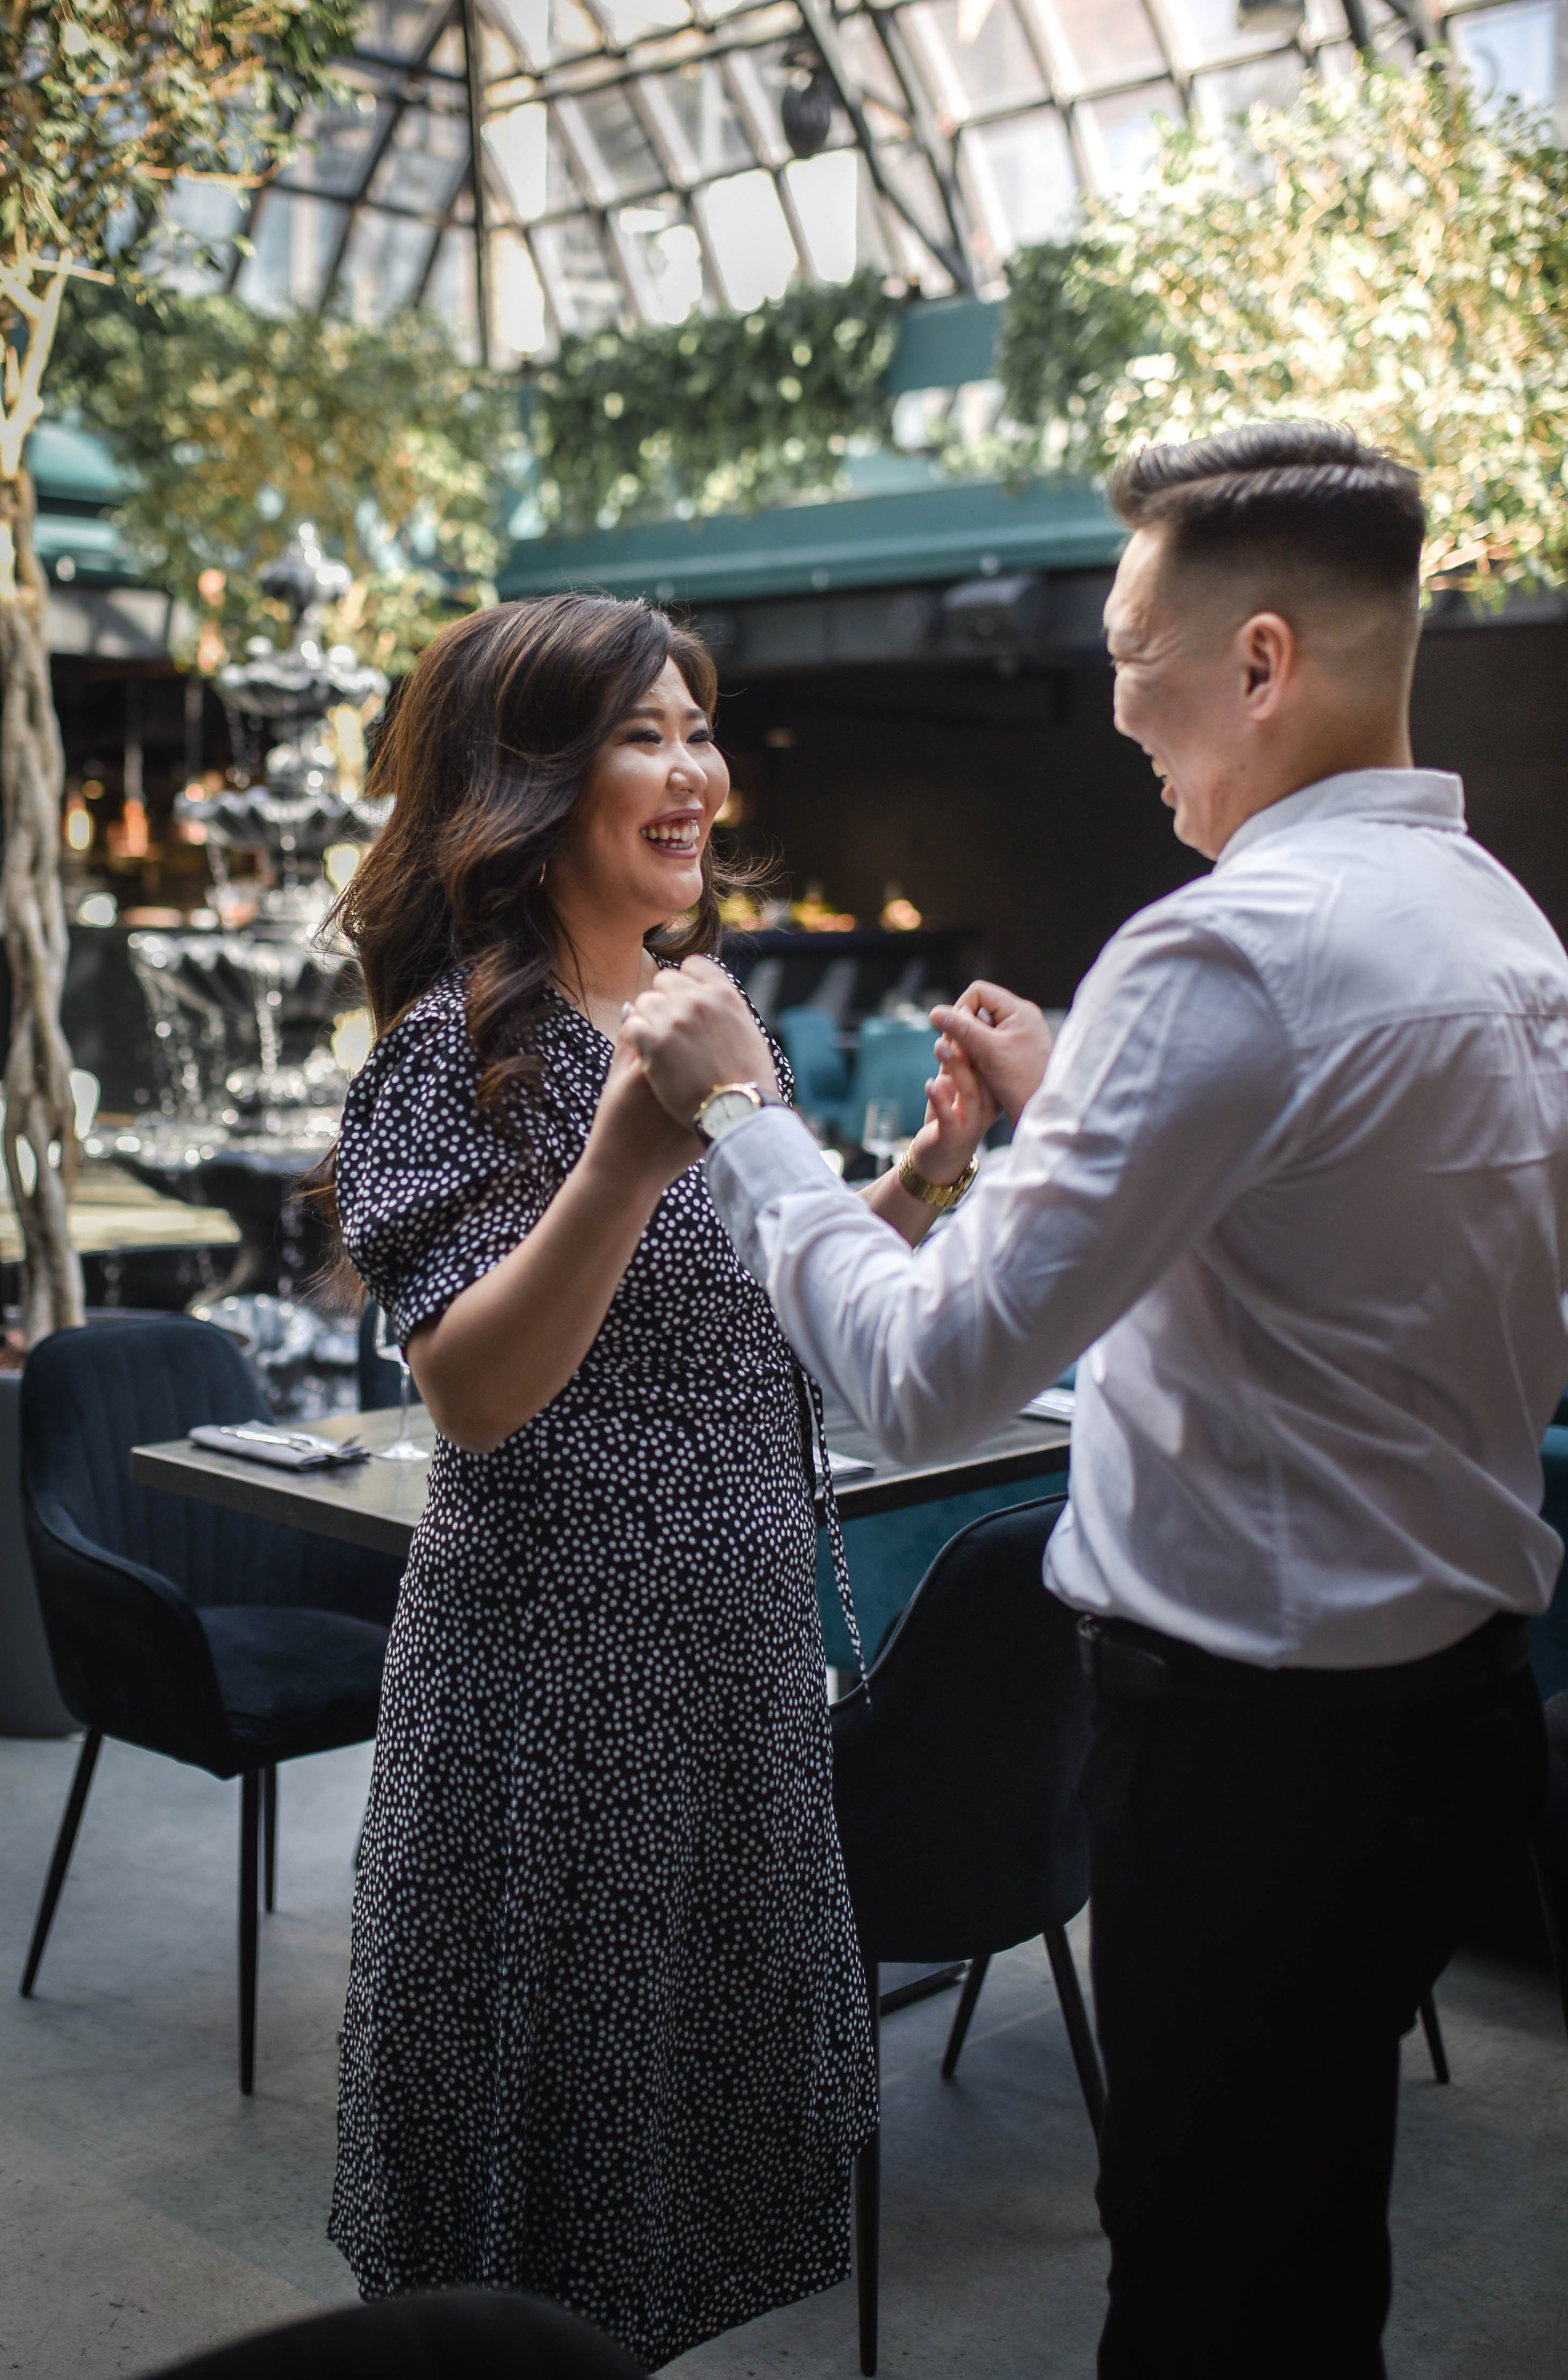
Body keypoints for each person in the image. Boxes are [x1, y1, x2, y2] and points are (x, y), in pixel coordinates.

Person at [619, 422, 1568, 2377]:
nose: (1117, 704)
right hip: (1453, 1713)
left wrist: (745, 1116)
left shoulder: (1227, 949)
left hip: (1254, 1760)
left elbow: (922, 1379)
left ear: (1261, 661)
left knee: (1207, 2283)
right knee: (1311, 2236)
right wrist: (1090, 1119)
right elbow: (1359, 1272)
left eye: (1134, 655)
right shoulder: (1497, 923)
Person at [315, 593, 995, 2365]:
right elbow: (473, 1393)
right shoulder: (450, 1054)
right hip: (557, 1706)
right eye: (644, 734)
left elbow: (766, 1295)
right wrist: (624, 1155)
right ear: (530, 781)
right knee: (547, 2198)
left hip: (734, 1680)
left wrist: (926, 1175)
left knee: (695, 2172)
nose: (696, 771)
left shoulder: (711, 1009)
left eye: (701, 729)